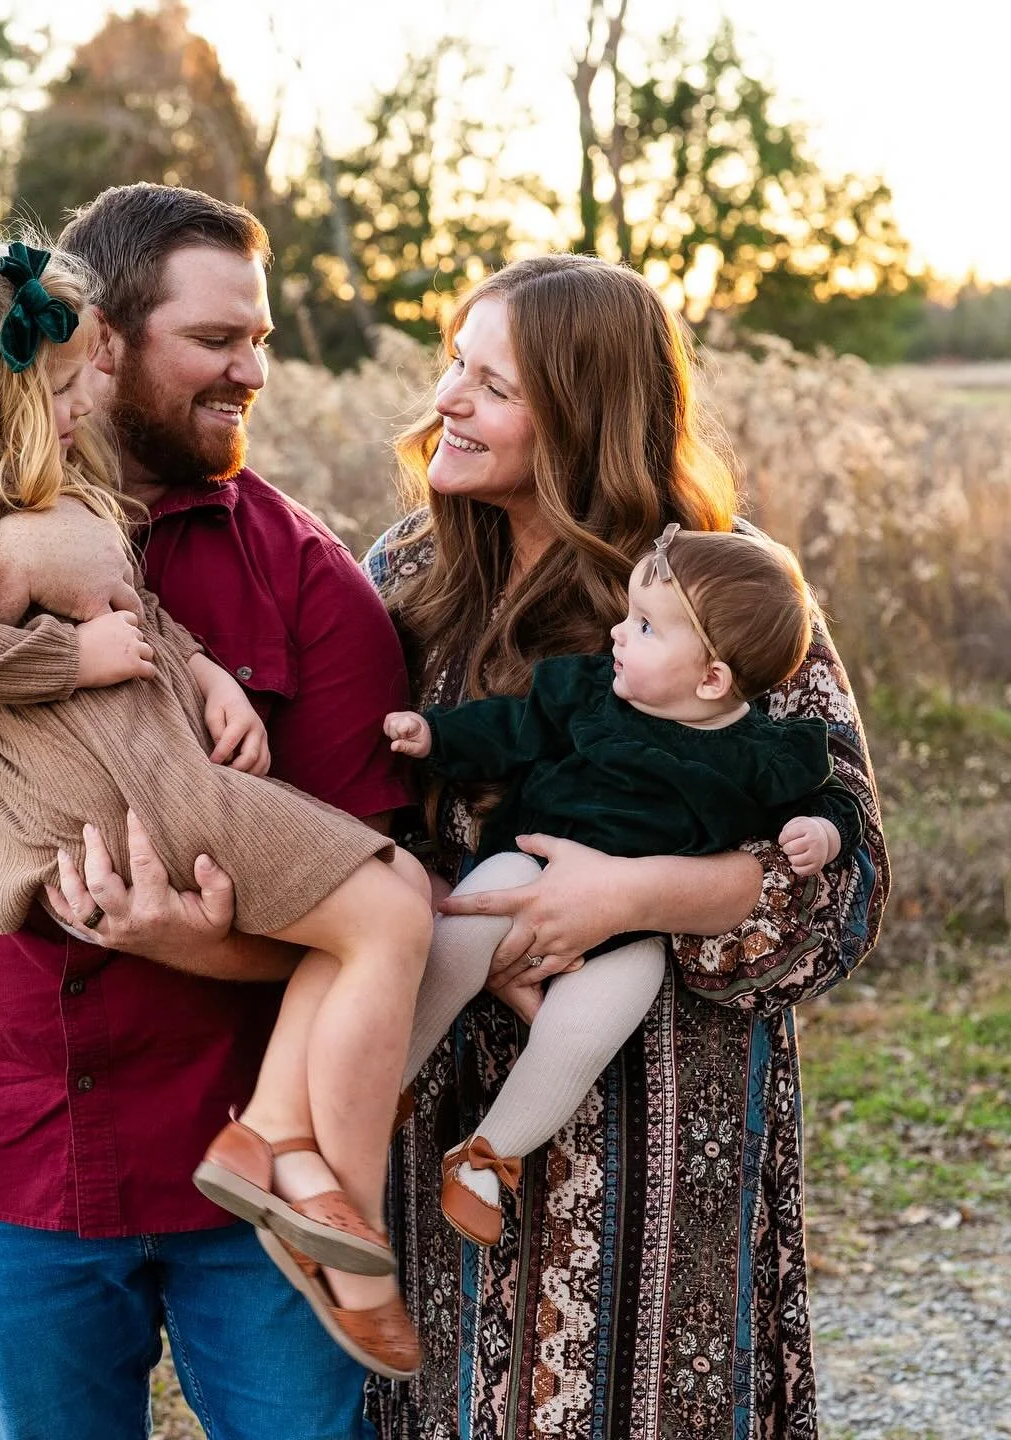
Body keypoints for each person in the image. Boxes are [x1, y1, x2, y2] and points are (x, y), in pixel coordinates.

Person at [0, 185, 416, 1439]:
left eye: (262, 341)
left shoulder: (304, 574)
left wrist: (192, 937)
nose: (253, 374)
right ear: (98, 340)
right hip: (1, 1136)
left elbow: (349, 875)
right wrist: (12, 573)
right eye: (218, 341)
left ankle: (314, 1193)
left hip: (215, 1127)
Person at [352, 253, 889, 1439]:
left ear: (586, 417)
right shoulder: (405, 572)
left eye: (491, 381)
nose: (445, 398)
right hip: (435, 1098)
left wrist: (631, 894)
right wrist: (463, 914)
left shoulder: (726, 582)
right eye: (455, 363)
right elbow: (335, 813)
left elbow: (847, 882)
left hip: (658, 1143)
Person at [382, 522, 863, 1248]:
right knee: (458, 935)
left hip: (636, 935)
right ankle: (383, 1079)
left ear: (711, 680)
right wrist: (437, 736)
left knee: (583, 1034)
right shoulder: (589, 696)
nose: (617, 633)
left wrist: (824, 831)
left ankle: (487, 1157)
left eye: (643, 626)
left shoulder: (761, 753)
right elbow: (511, 729)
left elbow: (836, 798)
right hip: (533, 862)